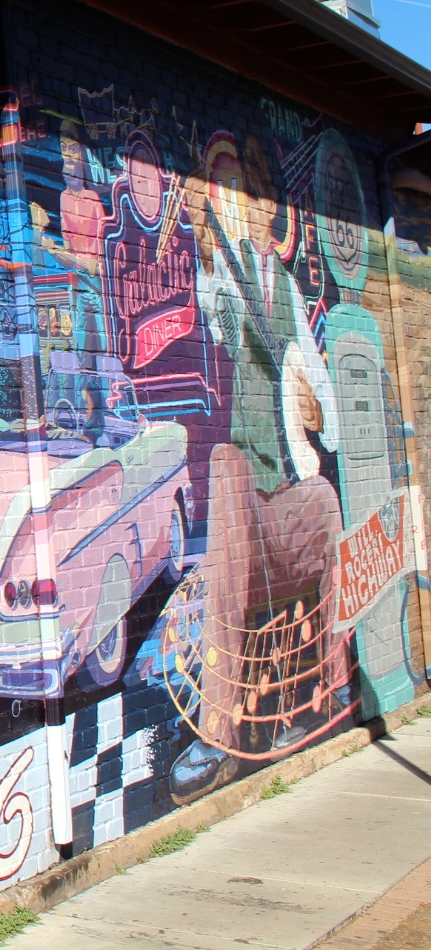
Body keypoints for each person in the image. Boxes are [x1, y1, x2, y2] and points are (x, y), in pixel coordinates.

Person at [170, 132, 343, 802]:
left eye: (244, 194)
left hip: (288, 498)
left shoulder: (291, 296)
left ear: (270, 207)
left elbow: (323, 400)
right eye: (224, 197)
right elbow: (215, 312)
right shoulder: (226, 275)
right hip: (245, 493)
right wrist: (209, 245)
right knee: (226, 463)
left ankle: (324, 690)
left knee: (326, 502)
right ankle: (218, 732)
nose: (236, 207)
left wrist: (317, 410)